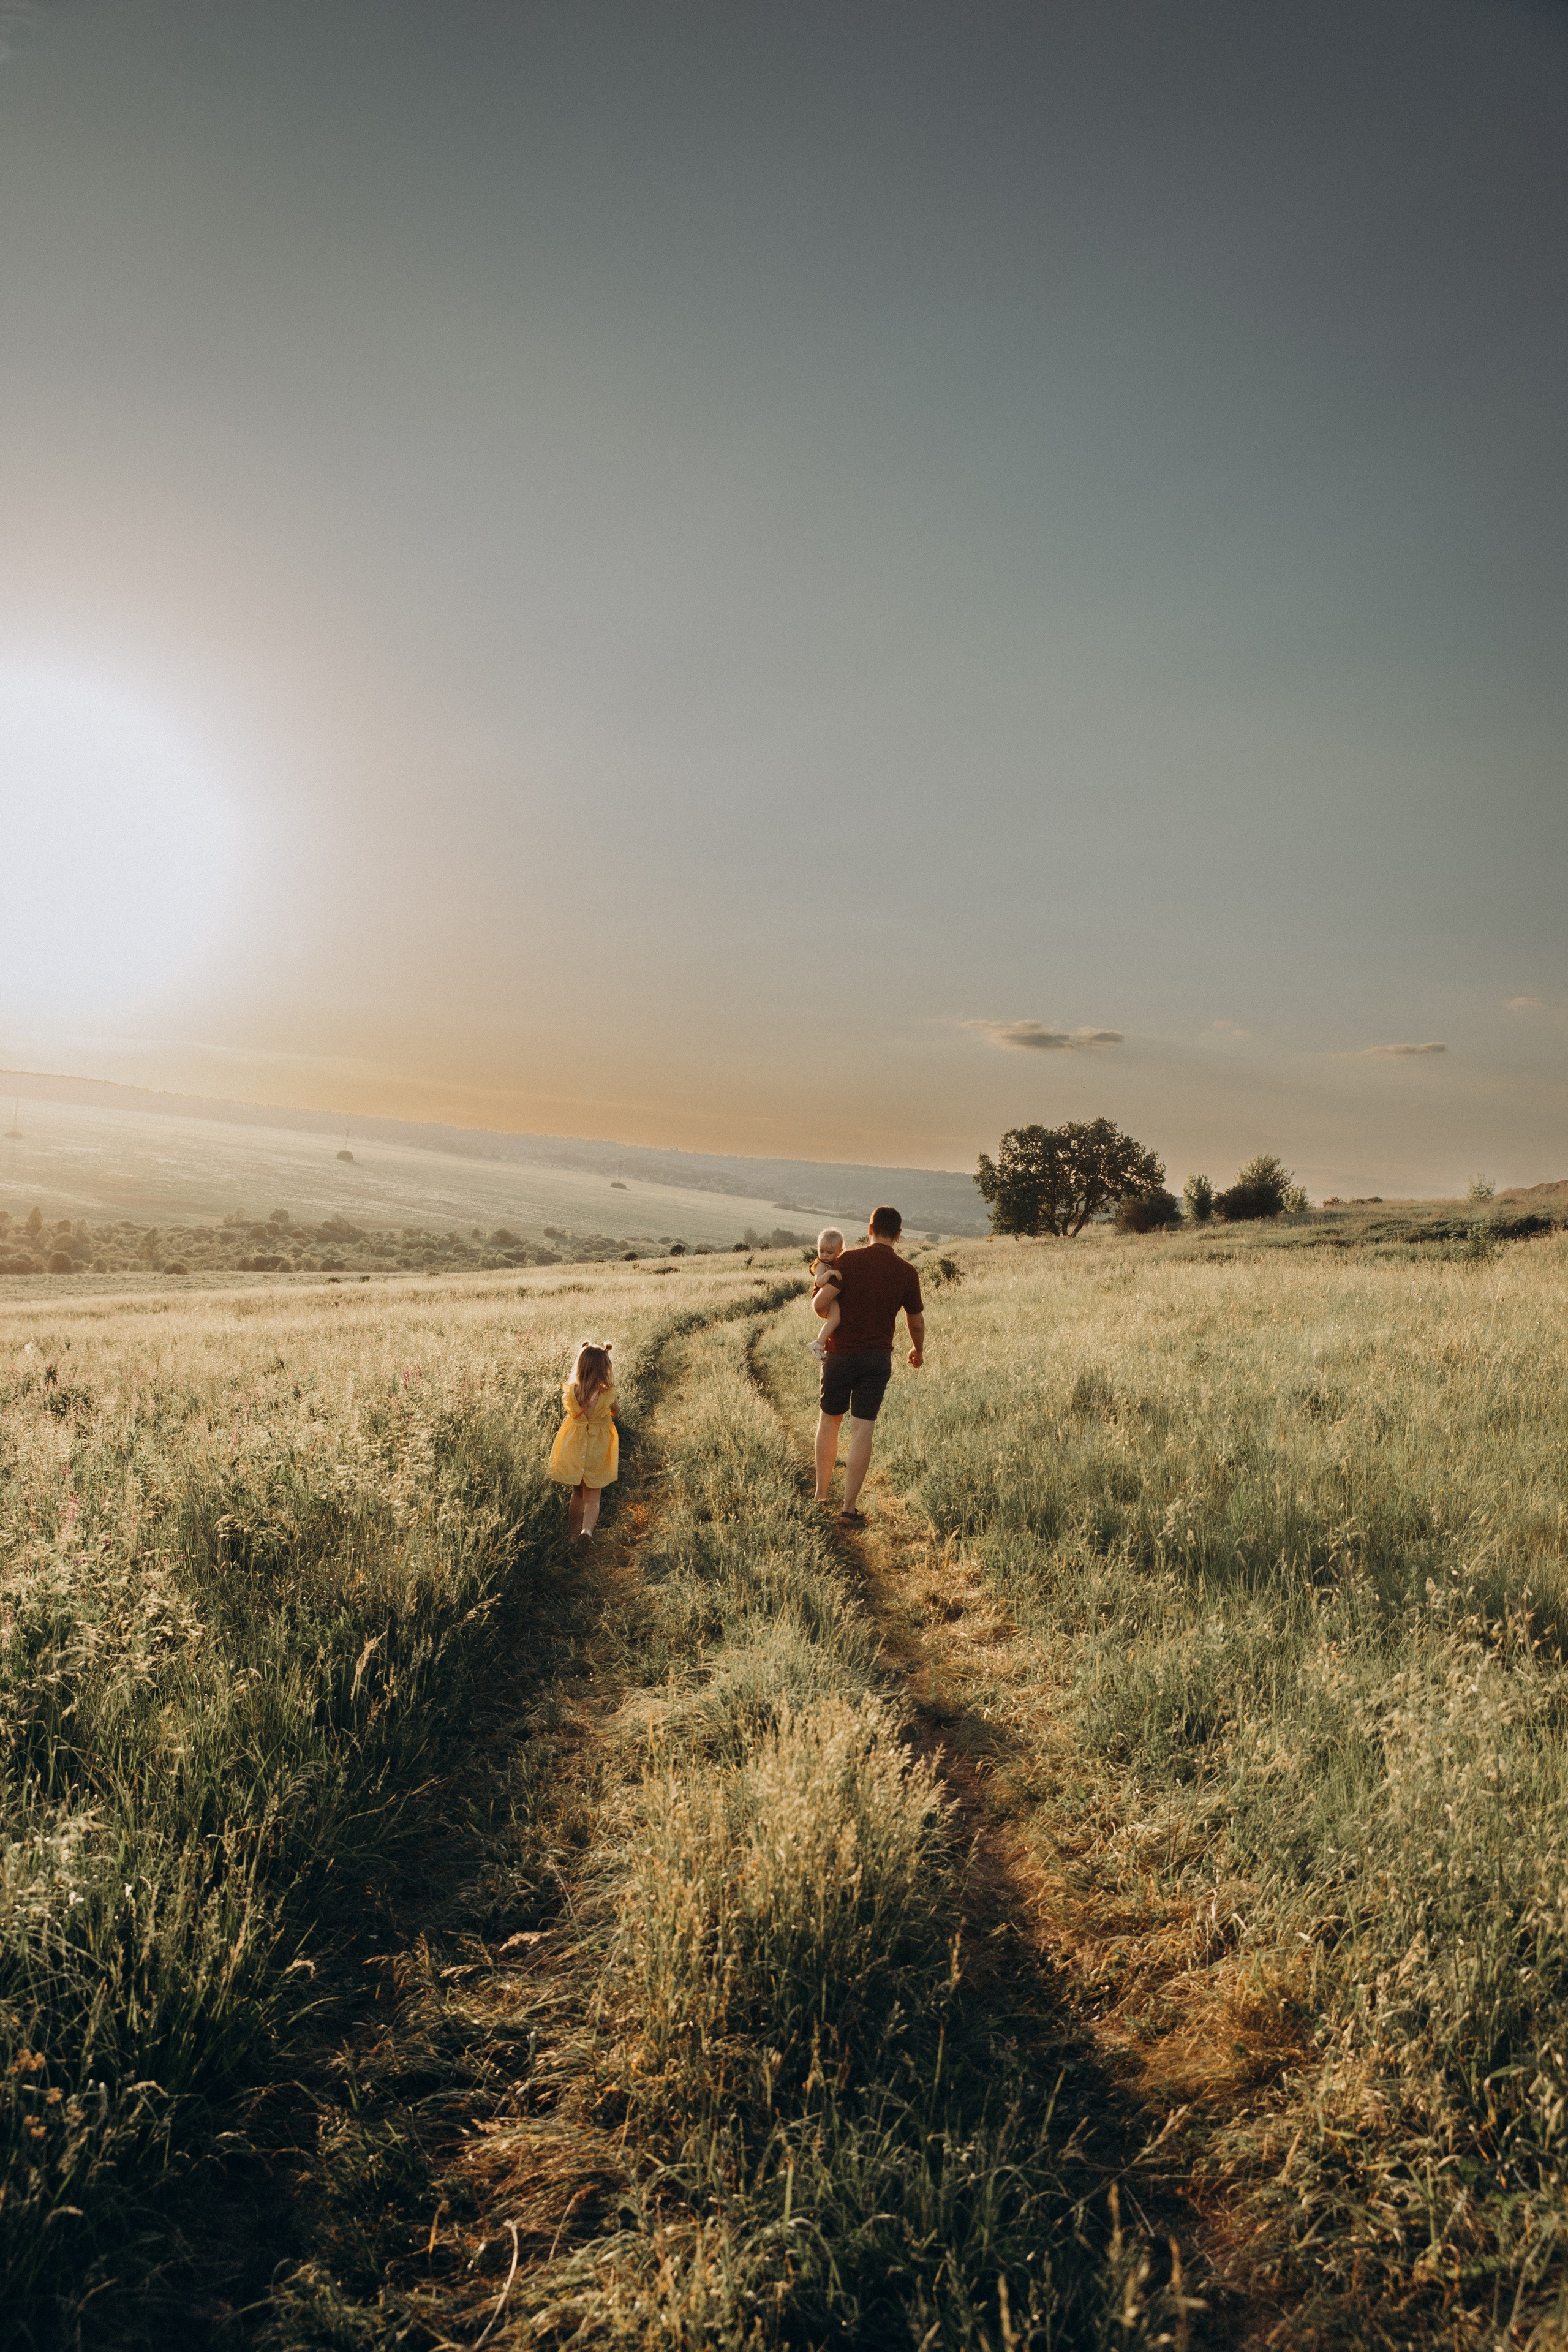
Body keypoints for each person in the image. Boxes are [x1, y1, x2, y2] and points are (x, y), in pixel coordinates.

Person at [813, 1206, 924, 1525]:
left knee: (829, 1421)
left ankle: (821, 1497)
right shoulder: (906, 1272)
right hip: (876, 1359)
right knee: (863, 1430)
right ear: (899, 1235)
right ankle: (849, 1509)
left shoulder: (847, 1261)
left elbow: (821, 1303)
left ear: (870, 1228)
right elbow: (915, 1321)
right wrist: (917, 1350)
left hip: (840, 1355)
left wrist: (828, 1315)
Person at [548, 1341, 618, 1539]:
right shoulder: (607, 1393)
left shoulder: (572, 1391)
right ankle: (586, 1532)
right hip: (597, 1449)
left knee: (577, 1496)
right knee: (593, 1499)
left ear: (580, 1365)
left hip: (575, 1448)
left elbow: (570, 1412)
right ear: (605, 1367)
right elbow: (616, 1412)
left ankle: (571, 1536)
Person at [805, 1226, 846, 1361]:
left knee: (836, 1320)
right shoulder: (822, 1265)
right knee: (835, 1319)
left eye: (829, 1252)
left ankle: (821, 1344)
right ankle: (818, 1344)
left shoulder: (835, 1262)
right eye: (821, 1251)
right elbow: (819, 1282)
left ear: (839, 1252)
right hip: (822, 1297)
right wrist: (829, 1273)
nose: (824, 1255)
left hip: (830, 1298)